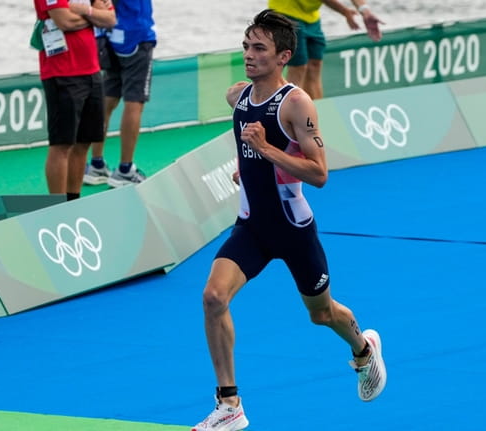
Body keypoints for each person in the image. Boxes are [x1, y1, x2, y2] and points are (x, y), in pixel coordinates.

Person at [192, 10, 387, 431]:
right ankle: (230, 405)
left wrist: (267, 152)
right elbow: (252, 151)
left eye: (259, 48)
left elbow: (319, 174)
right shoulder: (238, 96)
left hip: (293, 230)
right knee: (213, 298)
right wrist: (248, 165)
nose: (249, 54)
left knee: (322, 314)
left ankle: (364, 350)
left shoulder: (296, 104)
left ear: (282, 56)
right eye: (246, 45)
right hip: (252, 227)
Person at [33, 0, 116, 201]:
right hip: (61, 74)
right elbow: (65, 21)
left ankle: (73, 201)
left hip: (92, 72)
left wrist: (86, 11)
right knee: (61, 145)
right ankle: (57, 206)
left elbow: (110, 19)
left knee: (83, 142)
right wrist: (93, 16)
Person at [83, 0, 157, 188]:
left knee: (107, 100)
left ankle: (96, 164)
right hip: (136, 36)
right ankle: (125, 170)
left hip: (110, 37)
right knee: (134, 102)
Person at [268, 0, 383, 99]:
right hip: (285, 12)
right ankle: (289, 118)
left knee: (315, 65)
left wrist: (366, 12)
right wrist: (345, 12)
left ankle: (316, 114)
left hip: (311, 17)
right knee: (298, 67)